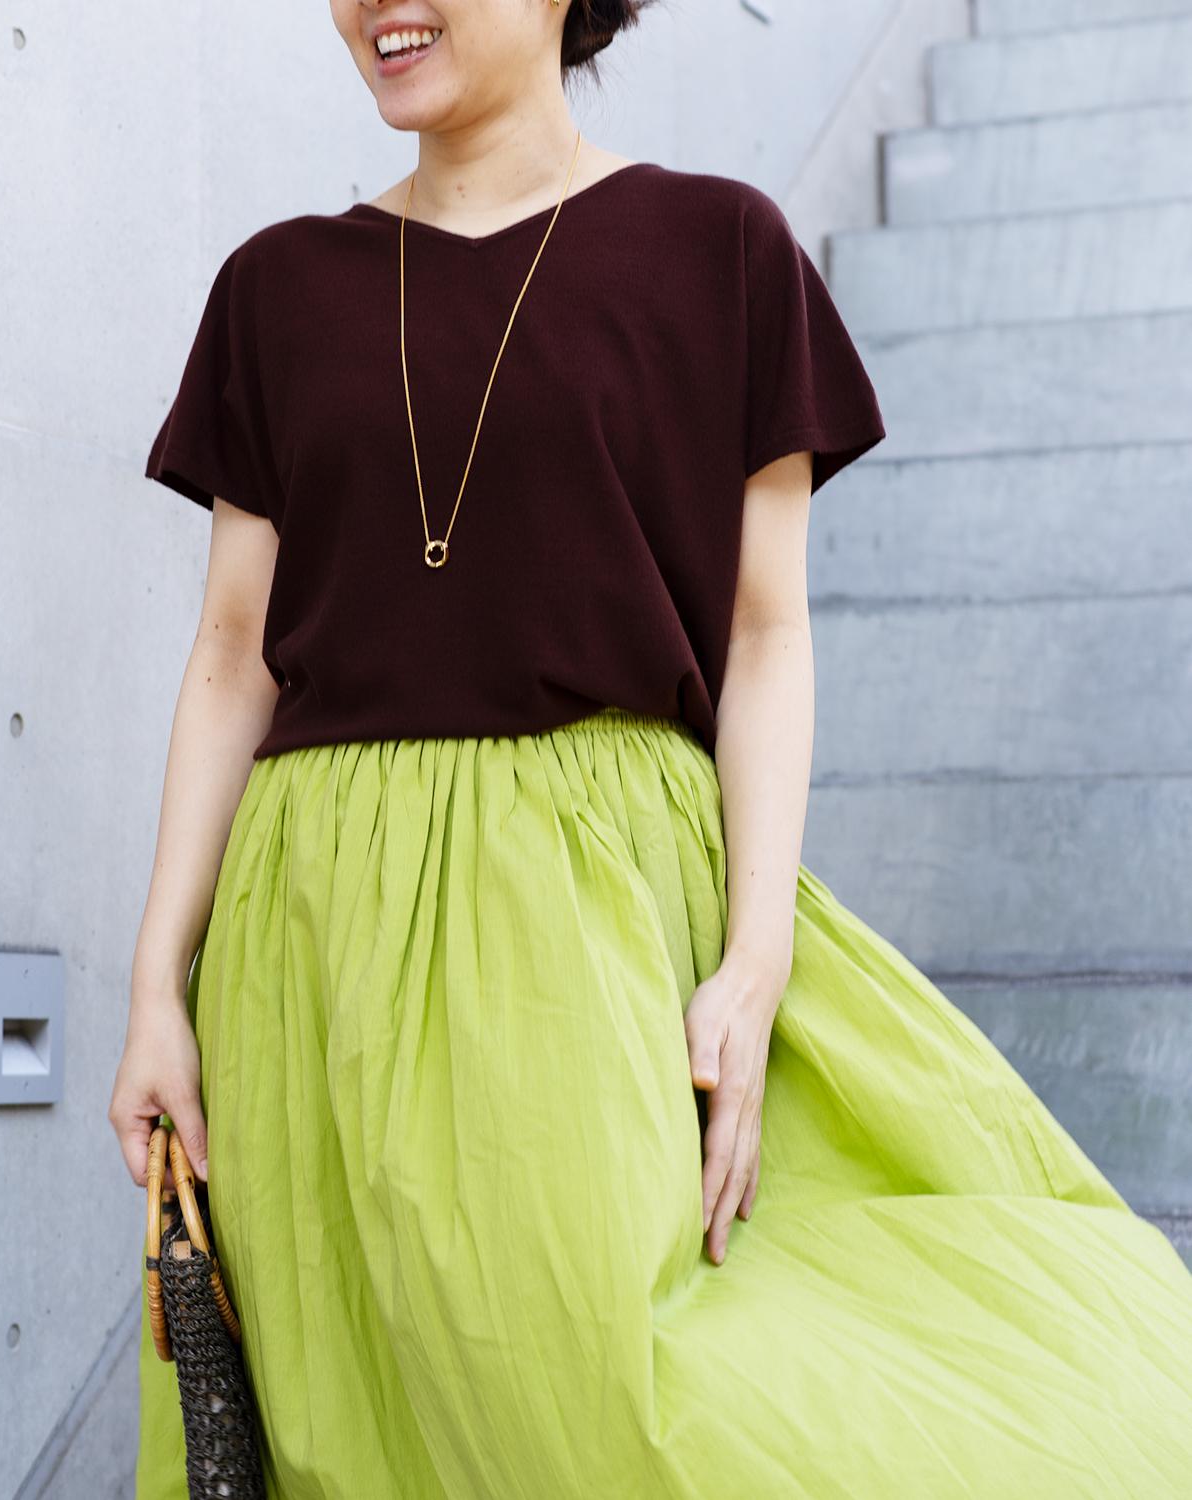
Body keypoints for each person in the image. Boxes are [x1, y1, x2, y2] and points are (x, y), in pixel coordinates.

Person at [111, 2, 1192, 1496]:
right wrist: (155, 986)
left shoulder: (721, 250)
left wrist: (755, 960)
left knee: (623, 1408)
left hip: (594, 912)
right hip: (309, 936)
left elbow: (765, 635)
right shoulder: (275, 287)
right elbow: (233, 652)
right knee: (344, 1417)